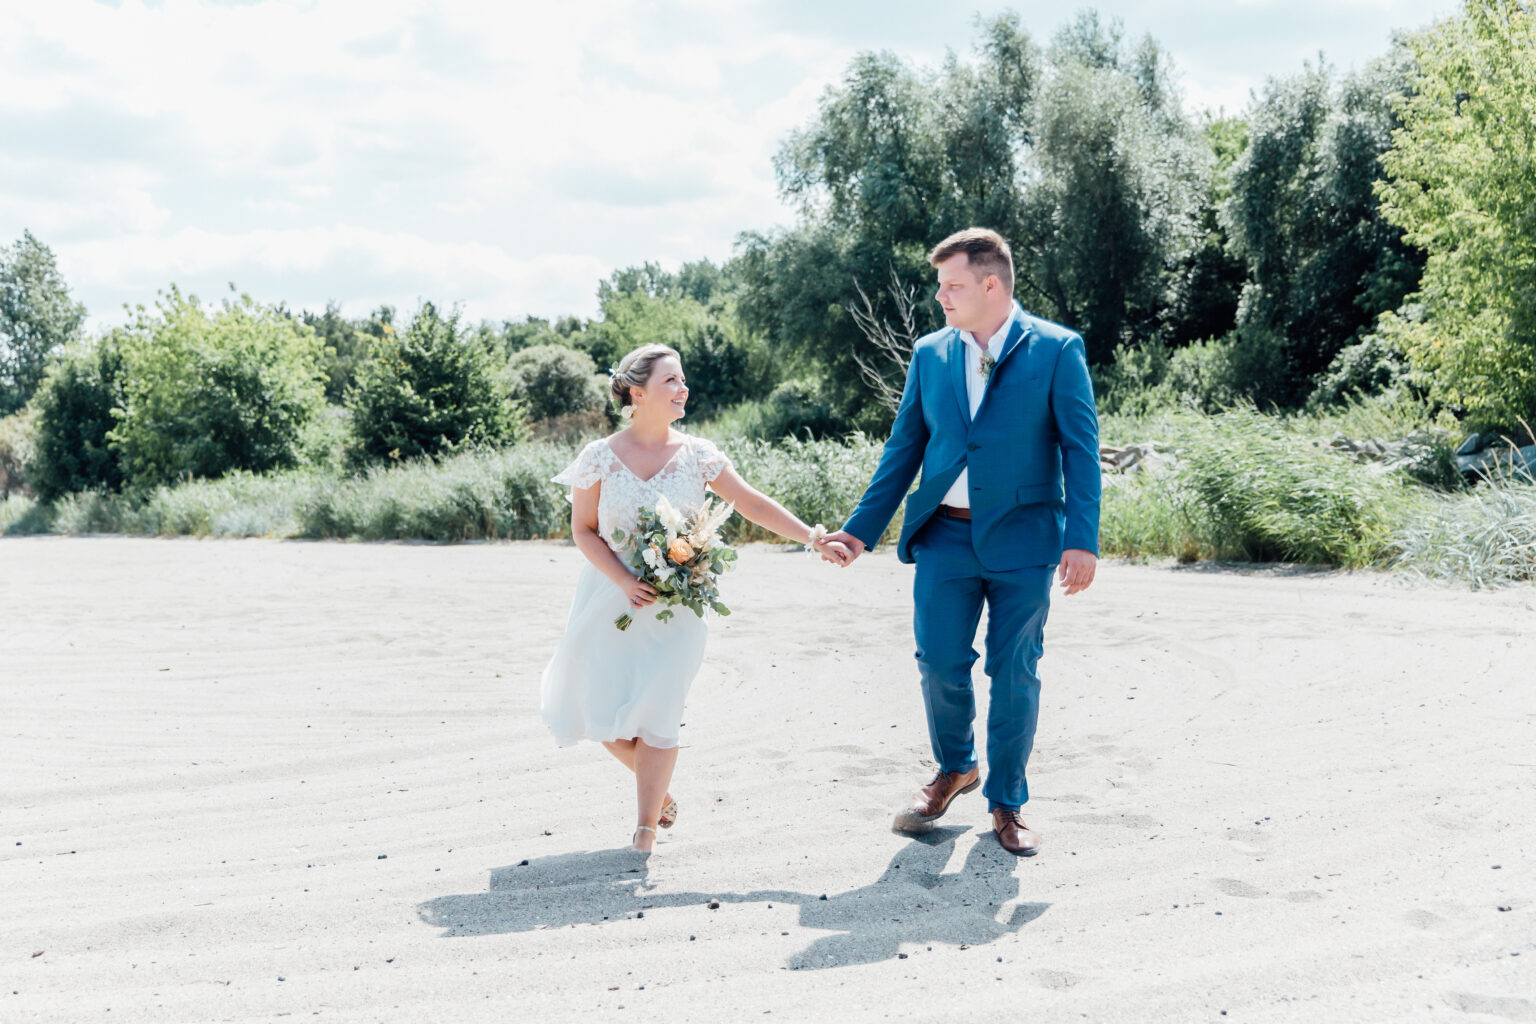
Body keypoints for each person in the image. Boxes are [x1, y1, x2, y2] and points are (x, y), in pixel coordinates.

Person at [823, 227, 1101, 857]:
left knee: (1014, 672)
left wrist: (1082, 539)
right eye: (941, 285)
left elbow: (1082, 451)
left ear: (991, 284)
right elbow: (904, 450)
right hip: (944, 538)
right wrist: (860, 531)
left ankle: (1008, 802)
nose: (941, 297)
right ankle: (956, 767)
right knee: (940, 661)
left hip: (1027, 540)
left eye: (952, 285)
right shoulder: (930, 353)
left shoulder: (1057, 349)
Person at [541, 343, 847, 853]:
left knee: (660, 710)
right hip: (611, 598)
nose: (683, 389)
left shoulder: (698, 455)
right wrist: (622, 579)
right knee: (593, 706)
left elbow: (749, 503)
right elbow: (583, 531)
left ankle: (644, 831)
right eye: (671, 381)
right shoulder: (598, 458)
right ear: (637, 393)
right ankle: (657, 791)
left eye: (683, 380)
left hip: (678, 605)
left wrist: (812, 537)